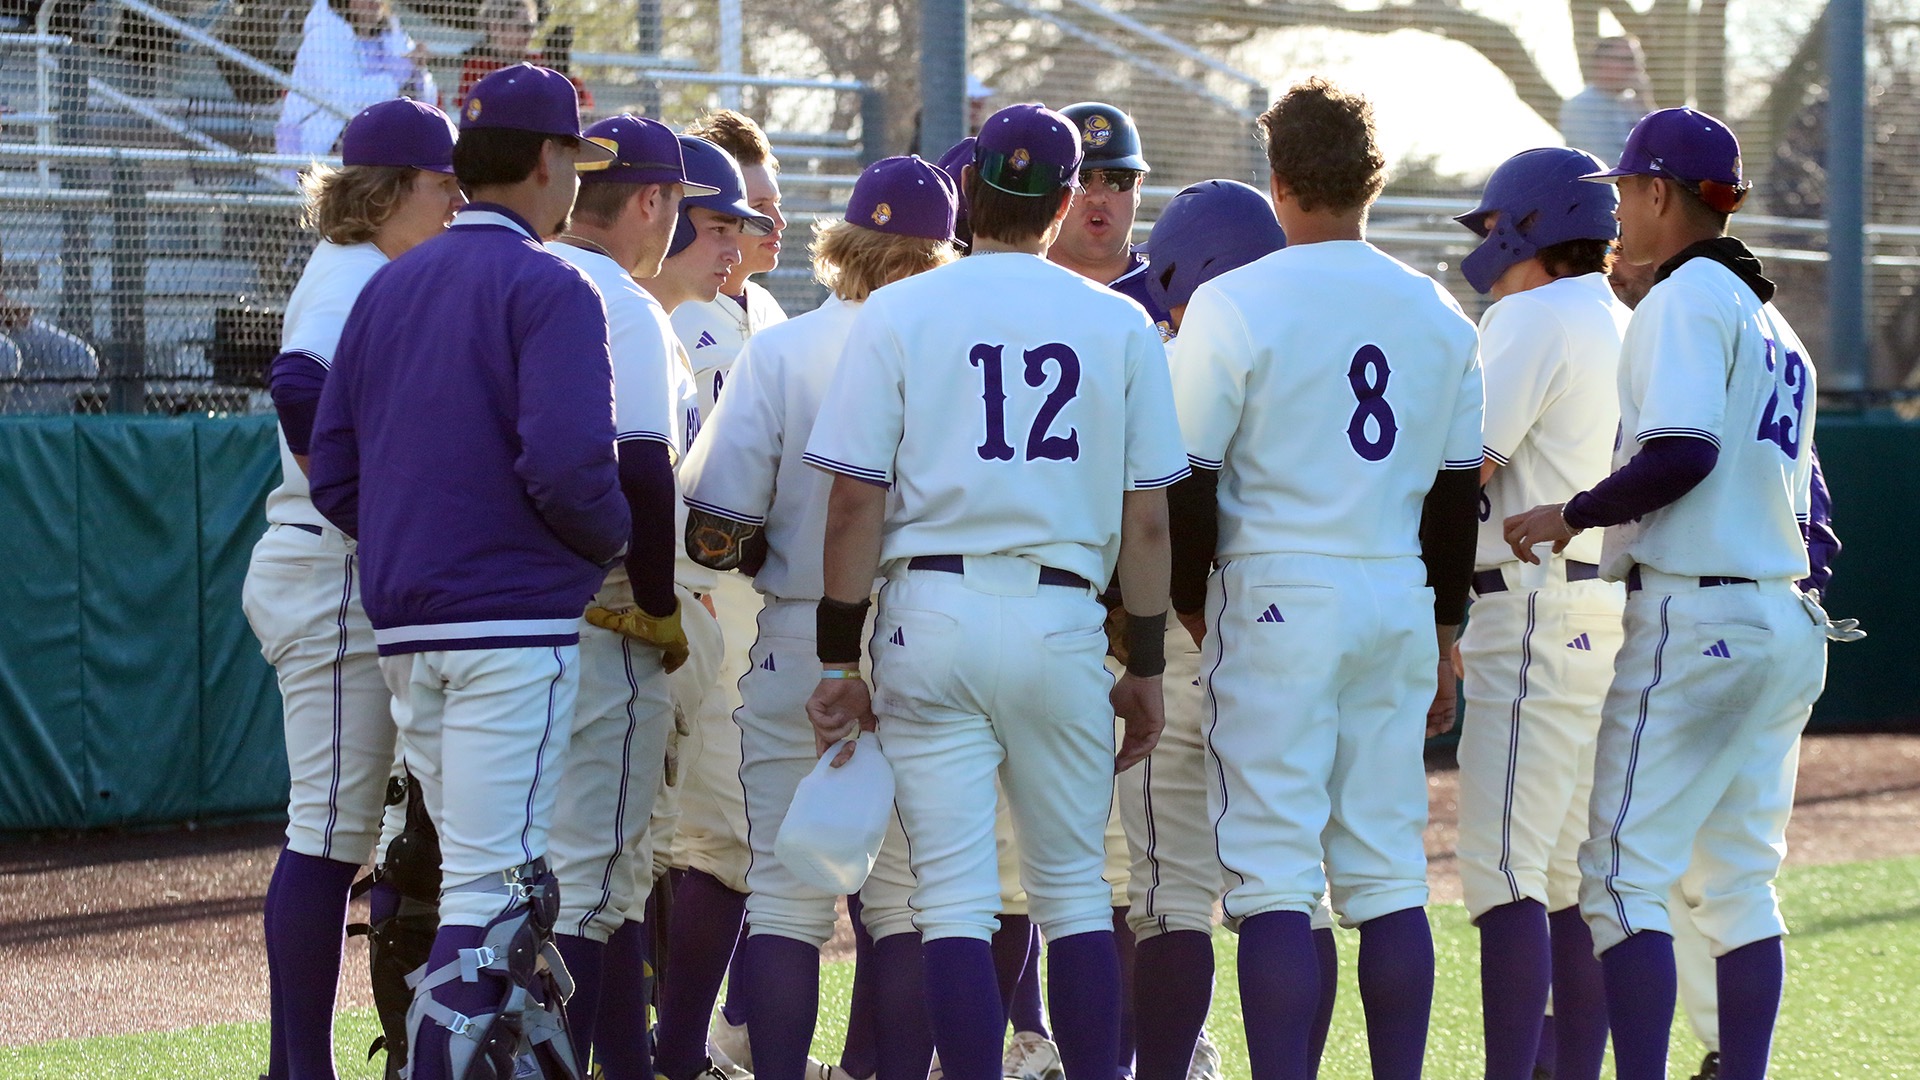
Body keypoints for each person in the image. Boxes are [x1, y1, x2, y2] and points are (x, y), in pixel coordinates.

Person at [803, 102, 1188, 1080]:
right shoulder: (1120, 319)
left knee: (954, 901)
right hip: (1063, 614)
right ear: (1065, 203)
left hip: (930, 612)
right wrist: (1143, 663)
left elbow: (854, 502)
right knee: (1072, 892)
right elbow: (1148, 523)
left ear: (968, 188)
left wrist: (838, 658)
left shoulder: (897, 310)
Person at [305, 63, 640, 1080]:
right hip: (508, 625)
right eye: (574, 160)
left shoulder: (390, 281)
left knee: (493, 893)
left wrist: (423, 542)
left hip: (410, 623)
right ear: (547, 163)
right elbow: (571, 467)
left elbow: (334, 472)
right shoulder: (553, 284)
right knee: (495, 899)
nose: (577, 180)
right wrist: (608, 543)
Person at [1504, 107, 1834, 1080]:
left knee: (1617, 880)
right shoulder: (1775, 323)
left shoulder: (1688, 296)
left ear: (1657, 193)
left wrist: (1575, 512)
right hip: (1780, 611)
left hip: (1701, 612)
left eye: (1627, 195)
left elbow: (1684, 450)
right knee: (1736, 884)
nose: (1621, 217)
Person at [1167, 78, 1482, 1080]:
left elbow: (1186, 478)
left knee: (1272, 876)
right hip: (1394, 587)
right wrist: (1443, 631)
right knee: (1389, 875)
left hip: (1278, 586)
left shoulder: (1234, 299)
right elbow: (1453, 493)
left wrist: (1185, 604)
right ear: (1372, 180)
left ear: (1278, 180)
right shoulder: (1437, 308)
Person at [677, 153, 963, 1080]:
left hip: (802, 634)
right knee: (909, 906)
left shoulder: (784, 348)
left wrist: (780, 550)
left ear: (844, 242)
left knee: (786, 900)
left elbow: (715, 531)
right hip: (933, 629)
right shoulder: (959, 357)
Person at [243, 97, 463, 1080]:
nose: (457, 201)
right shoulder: (347, 273)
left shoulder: (377, 268)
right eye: (443, 184)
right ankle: (299, 1068)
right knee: (327, 833)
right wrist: (377, 517)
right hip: (332, 564)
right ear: (389, 192)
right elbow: (298, 389)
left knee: (364, 832)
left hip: (344, 561)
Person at [1118, 178, 1329, 1080]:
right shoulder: (1323, 349)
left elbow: (1149, 514)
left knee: (1170, 893)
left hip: (1178, 630)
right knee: (1293, 889)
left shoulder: (1171, 358)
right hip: (1301, 633)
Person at [541, 112, 717, 1079]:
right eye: (677, 205)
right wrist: (655, 603)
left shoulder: (523, 275)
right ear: (650, 201)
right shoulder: (622, 301)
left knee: (523, 875)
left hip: (498, 614)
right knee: (594, 879)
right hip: (604, 614)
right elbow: (644, 470)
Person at [1447, 146, 1628, 1080]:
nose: (1483, 245)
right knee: (1565, 882)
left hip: (1531, 607)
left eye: (1491, 226)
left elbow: (1461, 468)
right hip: (1603, 610)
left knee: (1507, 876)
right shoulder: (1622, 315)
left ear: (1528, 229)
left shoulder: (1532, 315)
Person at [624, 133, 784, 1080]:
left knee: (681, 849)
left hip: (693, 607)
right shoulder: (659, 317)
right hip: (653, 605)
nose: (734, 241)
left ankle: (657, 1045)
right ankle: (657, 1046)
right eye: (716, 221)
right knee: (663, 851)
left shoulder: (720, 314)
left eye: (742, 222)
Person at [1048, 102, 1171, 335]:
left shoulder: (1174, 298)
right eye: (1080, 178)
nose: (1097, 197)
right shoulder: (1021, 292)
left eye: (1117, 178)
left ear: (1138, 187)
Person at [275, 0, 434, 161]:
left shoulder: (392, 35)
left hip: (378, 139)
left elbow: (426, 101)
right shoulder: (324, 35)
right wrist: (397, 74)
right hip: (322, 143)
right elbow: (343, 99)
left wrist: (418, 71)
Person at [453, 0, 592, 112]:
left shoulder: (539, 64)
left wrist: (563, 74)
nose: (530, 34)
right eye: (524, 27)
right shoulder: (477, 67)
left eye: (532, 28)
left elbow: (583, 107)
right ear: (495, 27)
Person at [1559, 36, 1654, 168]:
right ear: (1601, 63)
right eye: (1627, 60)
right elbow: (1602, 161)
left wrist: (1644, 102)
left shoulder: (1634, 104)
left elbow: (1662, 151)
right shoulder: (1581, 106)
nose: (1635, 68)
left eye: (1639, 61)